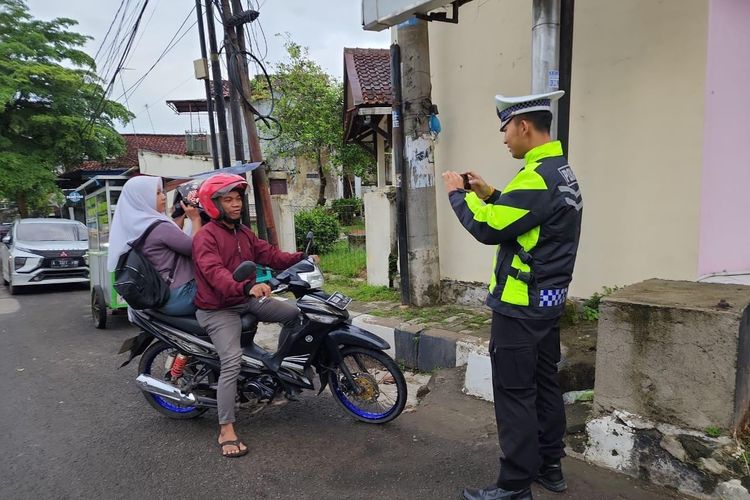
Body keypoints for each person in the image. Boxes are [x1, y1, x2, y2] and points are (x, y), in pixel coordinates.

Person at [442, 90, 583, 500]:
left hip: (520, 307)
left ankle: (515, 485)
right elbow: (527, 220)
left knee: (515, 394)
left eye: (505, 129)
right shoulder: (559, 171)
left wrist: (458, 194)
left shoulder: (535, 177)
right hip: (546, 304)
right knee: (543, 385)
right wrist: (488, 193)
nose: (504, 138)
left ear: (523, 126)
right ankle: (550, 467)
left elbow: (489, 229)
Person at [191, 173, 315, 459]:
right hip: (218, 308)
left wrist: (301, 258)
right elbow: (216, 275)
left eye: (237, 200)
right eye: (228, 200)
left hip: (245, 299)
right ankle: (226, 428)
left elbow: (269, 255)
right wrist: (247, 287)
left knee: (295, 314)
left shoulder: (243, 232)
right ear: (214, 204)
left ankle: (282, 370)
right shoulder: (204, 238)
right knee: (231, 362)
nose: (236, 205)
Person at [107, 175, 203, 316]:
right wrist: (195, 219)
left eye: (162, 192)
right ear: (143, 198)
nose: (163, 196)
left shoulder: (138, 225)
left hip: (161, 295)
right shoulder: (159, 227)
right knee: (230, 297)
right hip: (182, 295)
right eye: (157, 193)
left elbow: (170, 239)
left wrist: (179, 217)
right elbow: (194, 248)